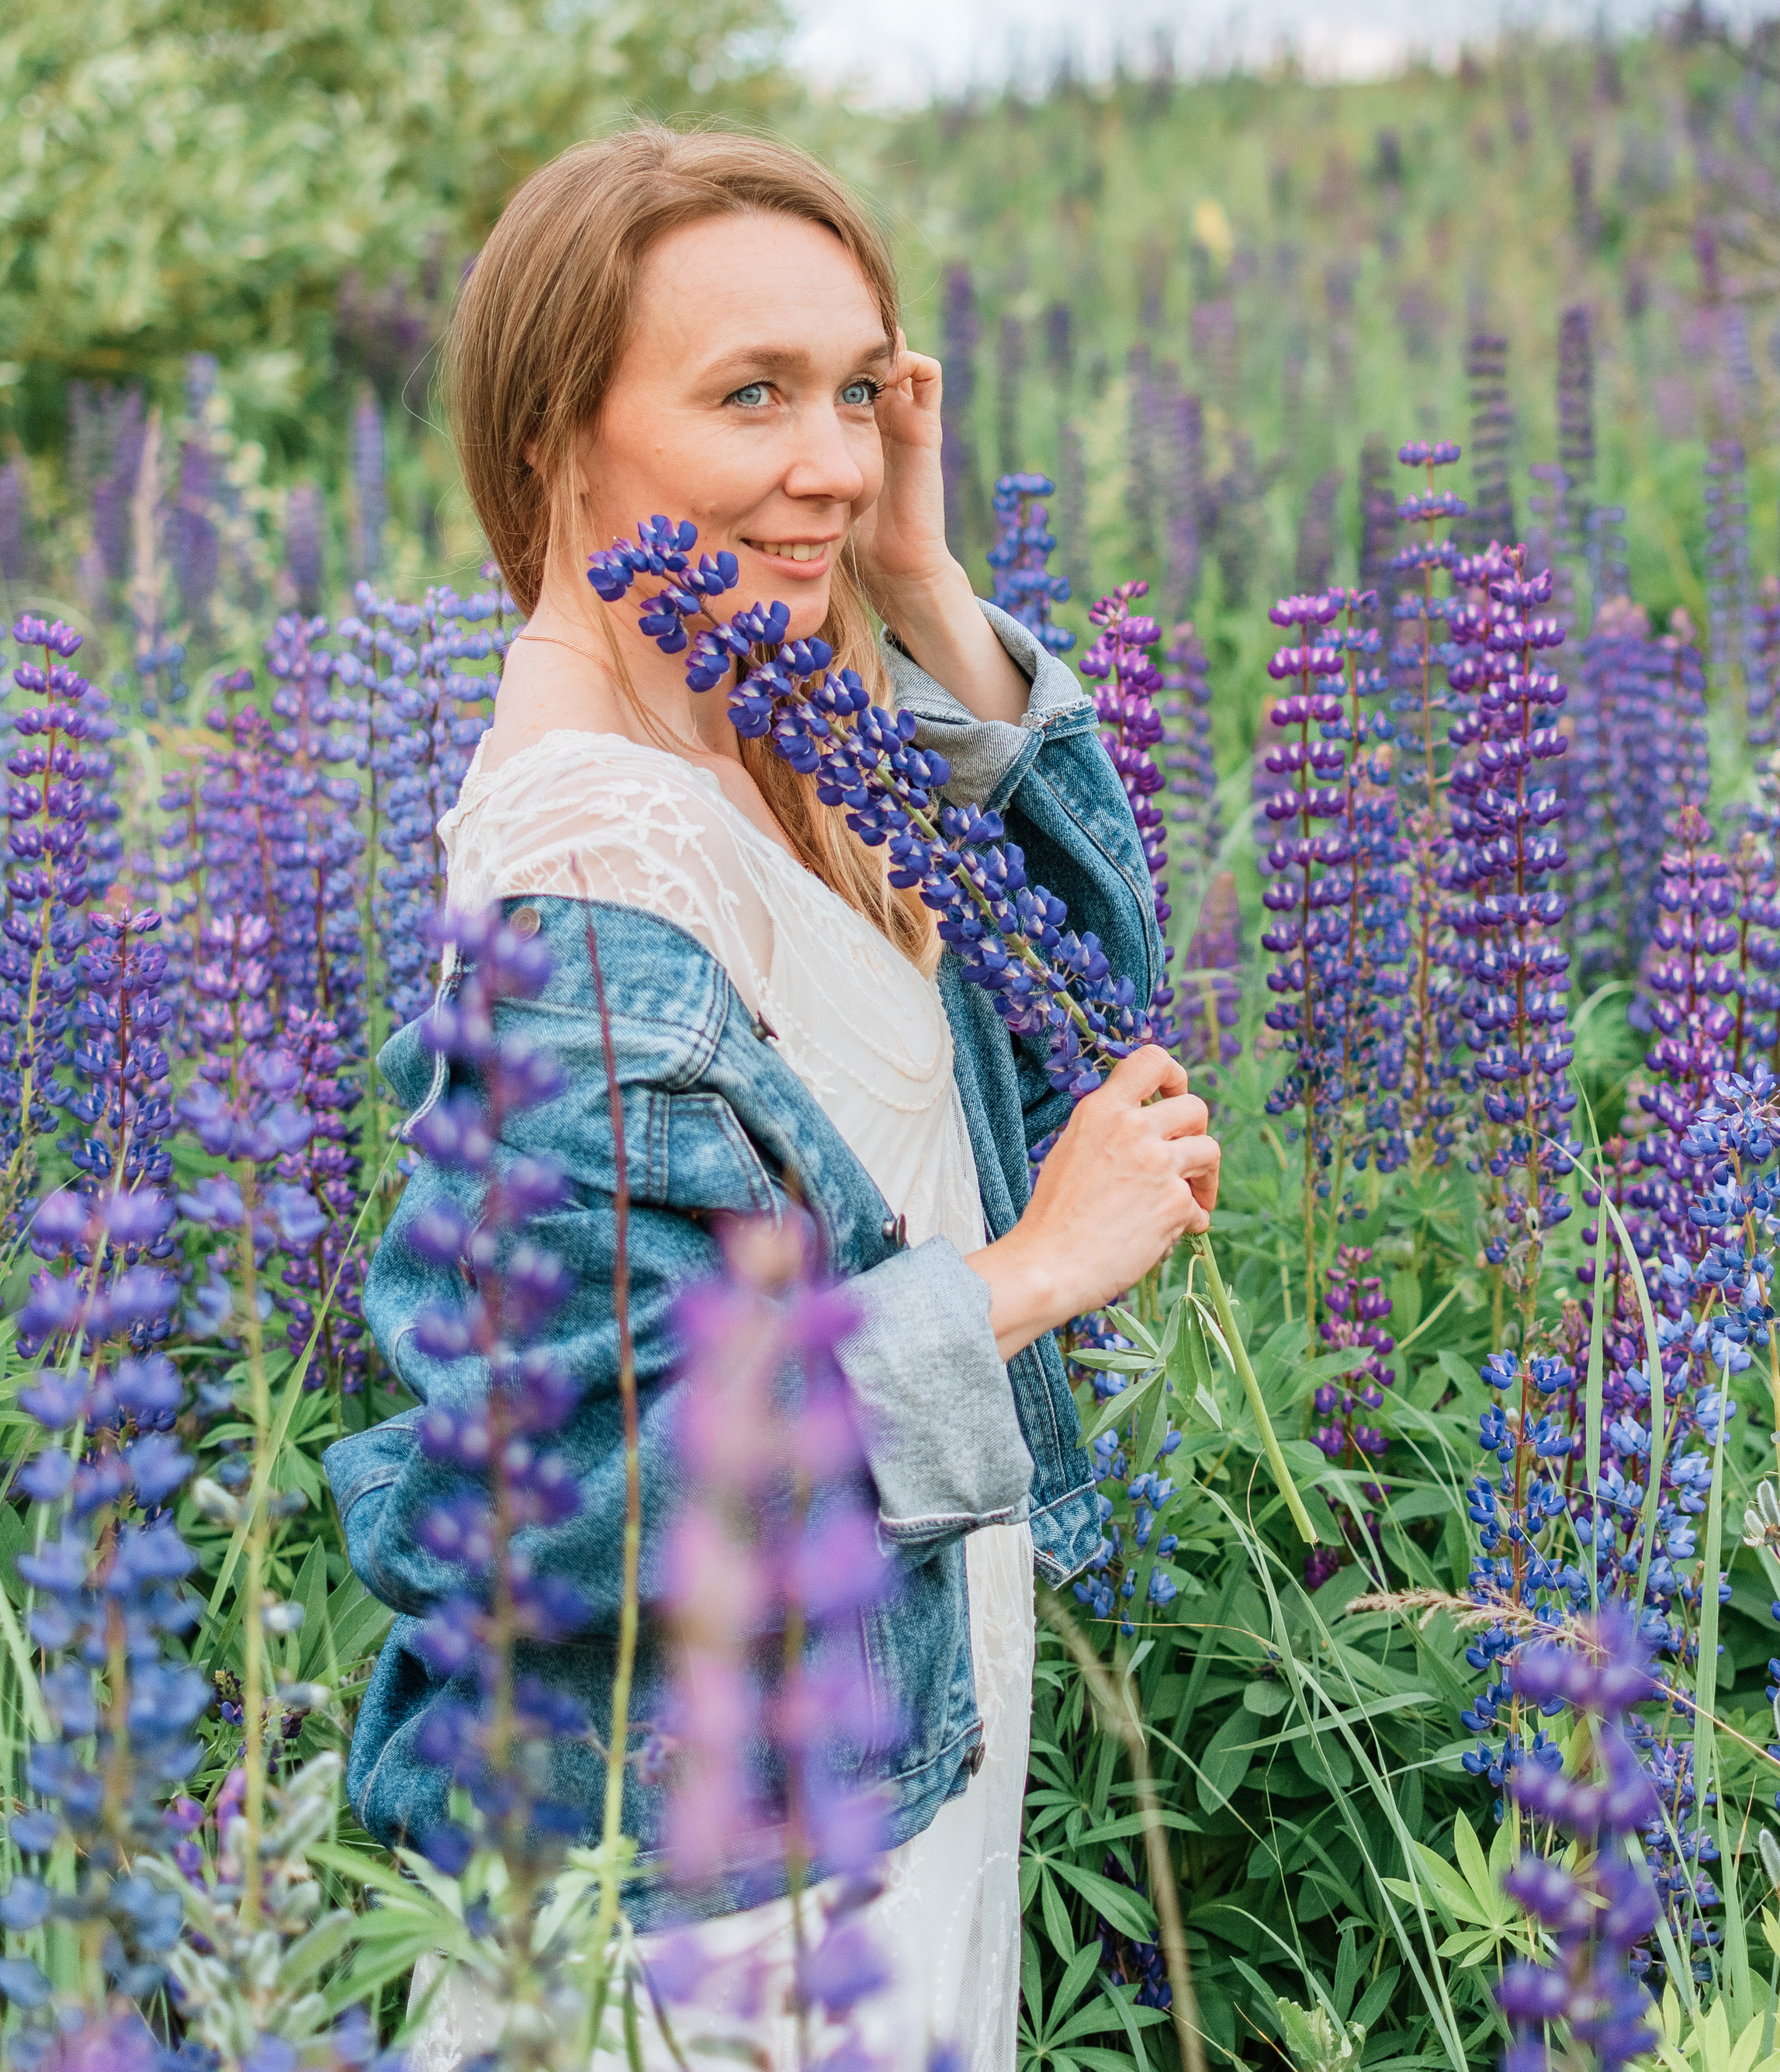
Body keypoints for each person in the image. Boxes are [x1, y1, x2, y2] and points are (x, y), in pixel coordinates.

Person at [326, 124, 1219, 2071]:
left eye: (856, 389)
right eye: (750, 394)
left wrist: (916, 575)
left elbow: (1081, 1015)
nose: (826, 456)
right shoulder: (589, 866)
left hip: (890, 1723)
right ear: (562, 434)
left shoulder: (758, 734)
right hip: (716, 1876)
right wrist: (1024, 1278)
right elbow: (570, 1492)